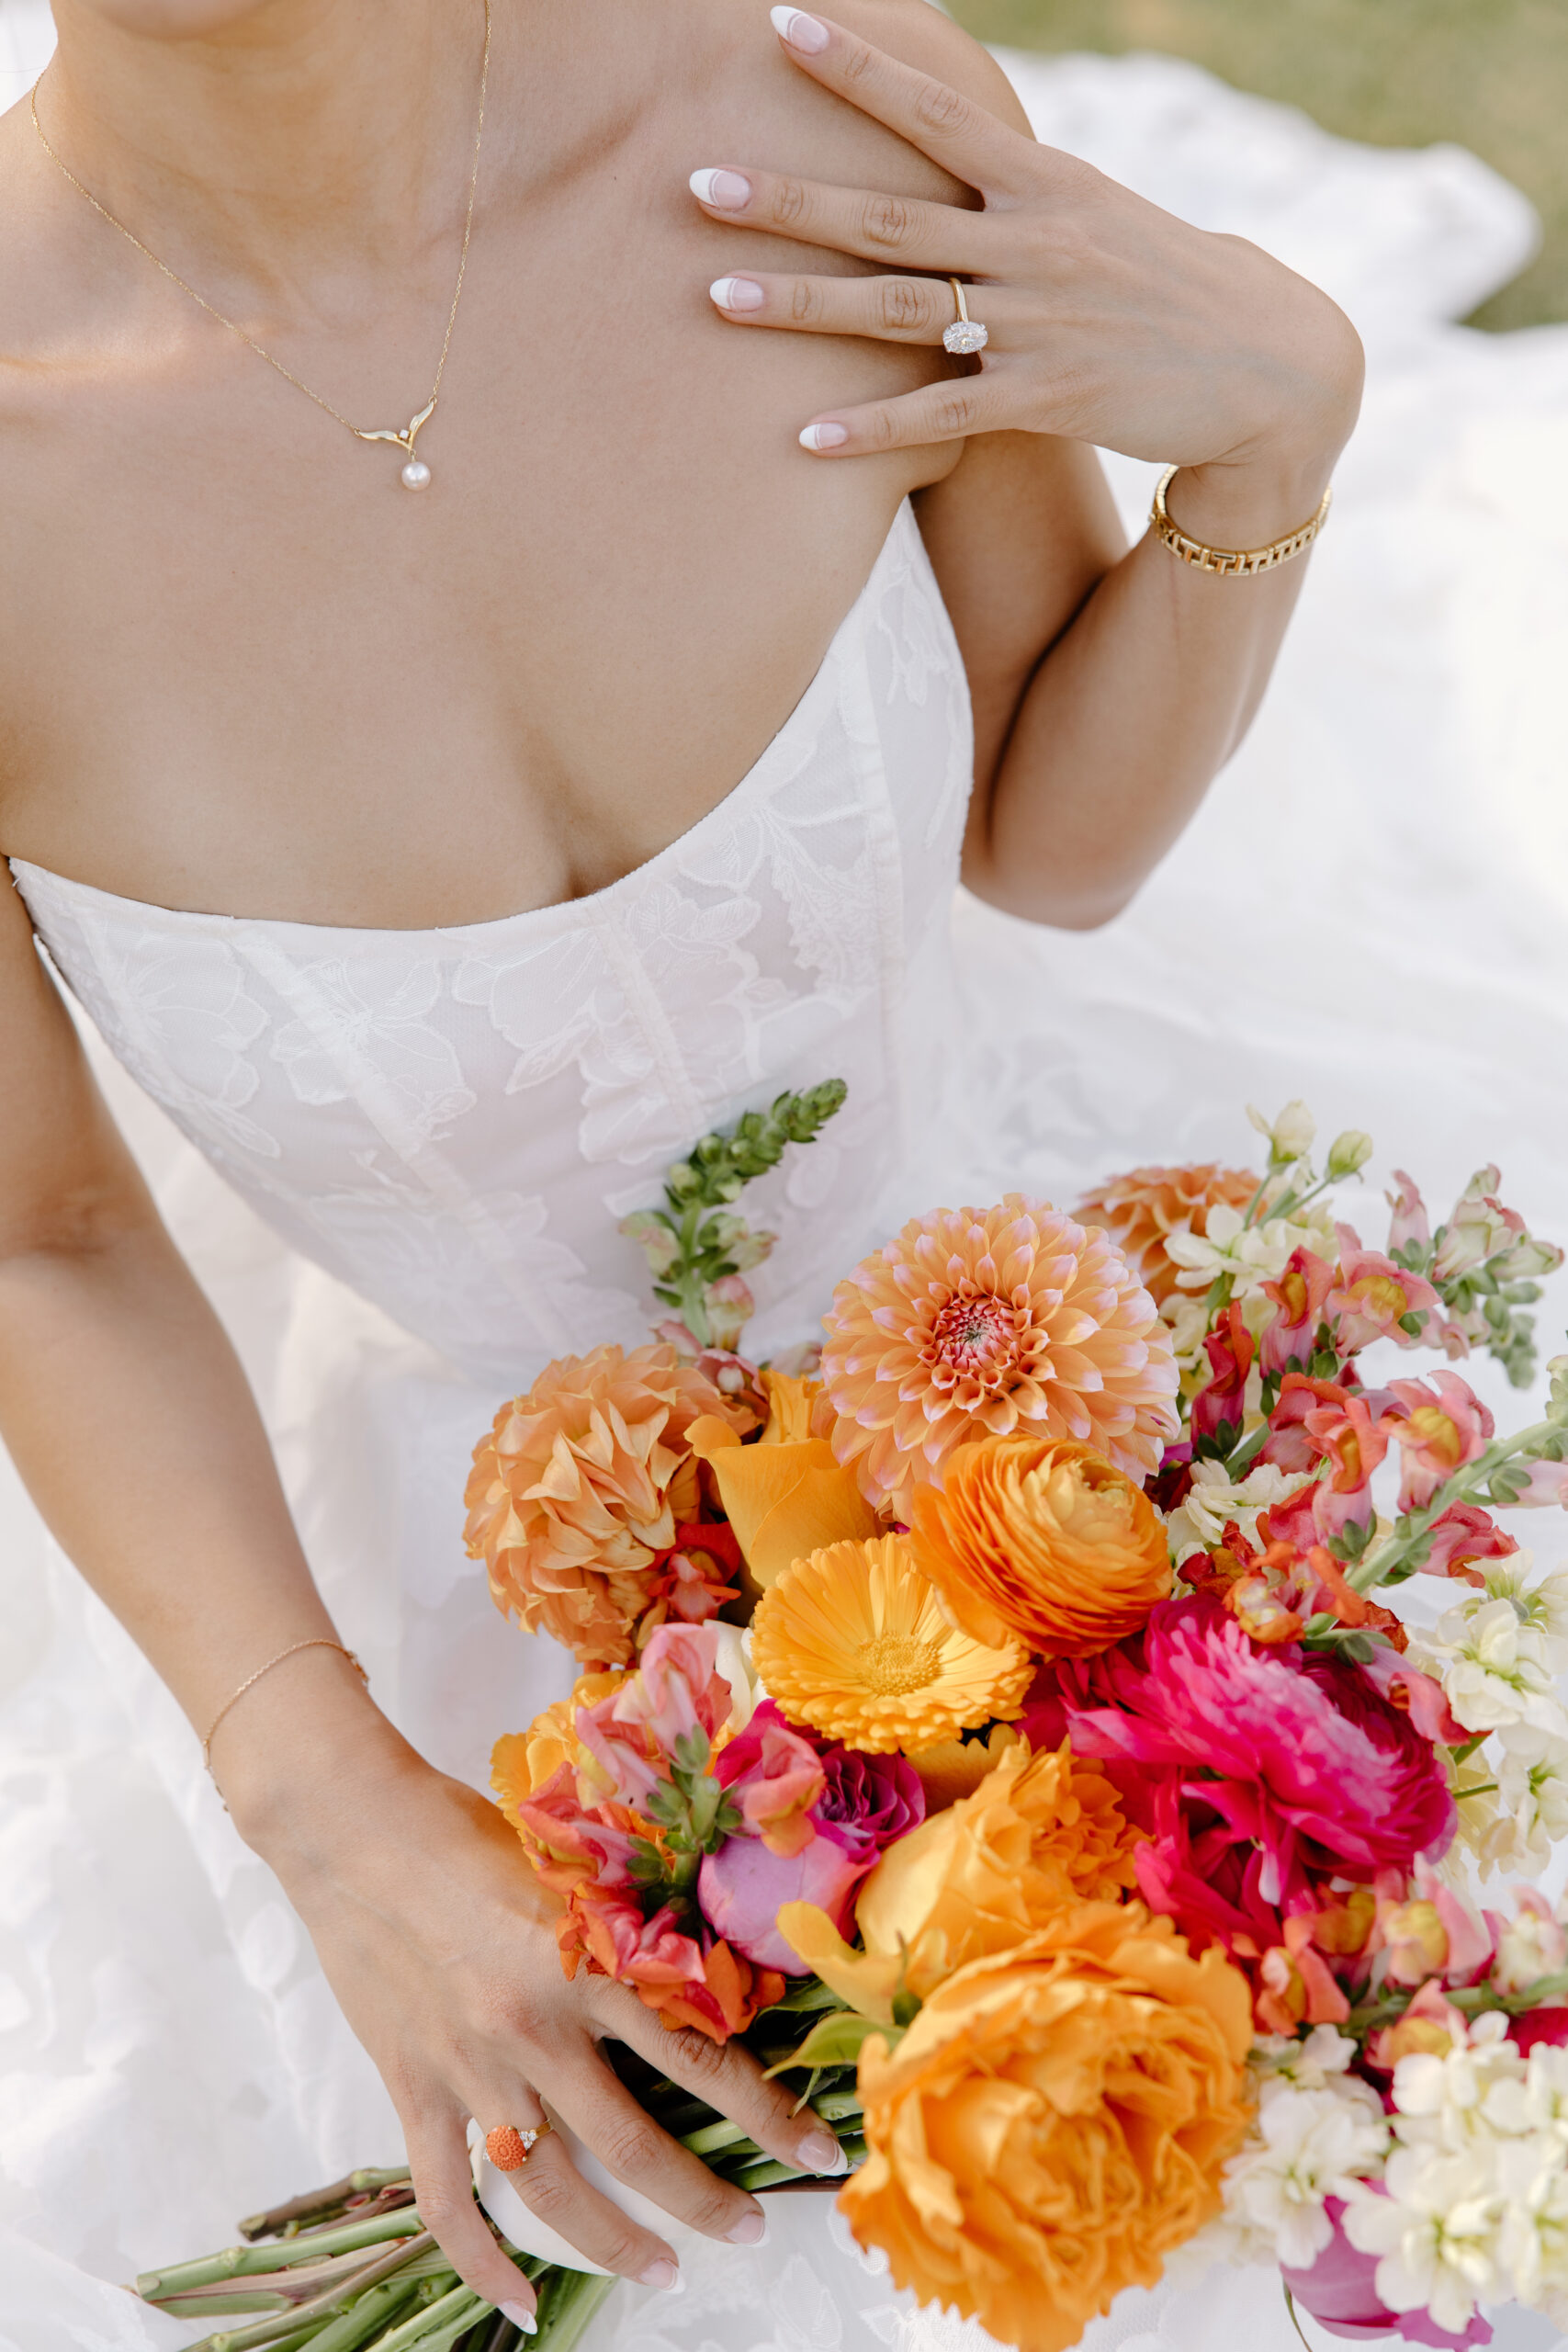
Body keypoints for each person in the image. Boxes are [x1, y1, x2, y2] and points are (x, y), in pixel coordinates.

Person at [0, 0, 1360, 2336]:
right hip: (461, 1608)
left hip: (1075, 1352)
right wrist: (326, 1803)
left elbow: (1040, 839)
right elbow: (46, 1226)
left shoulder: (815, 122)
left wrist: (1277, 436)